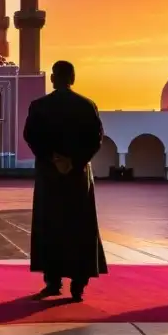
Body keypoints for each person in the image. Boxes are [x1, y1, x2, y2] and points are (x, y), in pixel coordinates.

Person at [23, 60, 108, 302]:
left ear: (53, 78)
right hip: (77, 176)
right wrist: (75, 161)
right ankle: (78, 286)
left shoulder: (39, 106)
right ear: (73, 78)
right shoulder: (86, 105)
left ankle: (52, 282)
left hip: (50, 176)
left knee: (50, 225)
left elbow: (30, 135)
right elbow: (96, 138)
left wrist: (52, 158)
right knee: (79, 227)